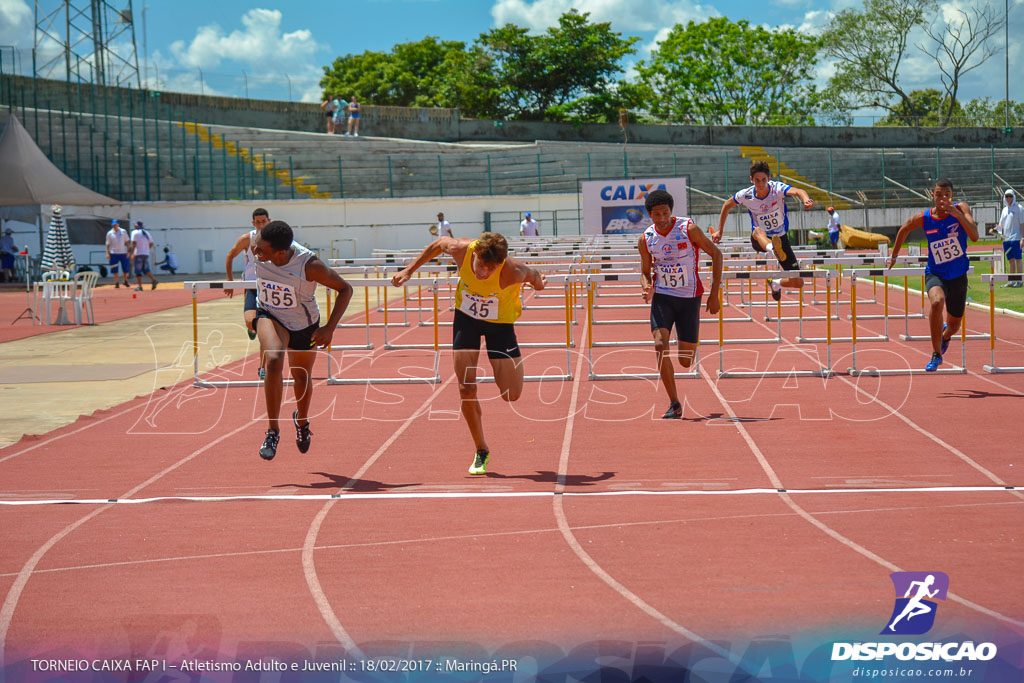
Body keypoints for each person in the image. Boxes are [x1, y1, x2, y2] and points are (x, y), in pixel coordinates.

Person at [391, 232, 546, 475]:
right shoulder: (461, 250)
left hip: (500, 324)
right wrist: (409, 270)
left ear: (501, 264)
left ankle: (502, 368)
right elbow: (437, 244)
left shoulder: (513, 271)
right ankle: (481, 449)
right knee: (466, 388)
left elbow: (534, 276)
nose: (484, 272)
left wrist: (539, 283)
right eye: (480, 265)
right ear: (473, 254)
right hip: (467, 319)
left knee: (511, 395)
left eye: (491, 268)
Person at [251, 220, 353, 461]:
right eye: (256, 246)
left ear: (280, 252)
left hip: (303, 325)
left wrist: (330, 328)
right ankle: (272, 430)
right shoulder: (257, 244)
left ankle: (302, 420)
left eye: (262, 250)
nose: (256, 252)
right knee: (274, 360)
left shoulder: (309, 265)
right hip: (270, 314)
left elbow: (345, 289)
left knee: (301, 377)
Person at [639, 190, 722, 419]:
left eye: (665, 213)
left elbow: (717, 254)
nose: (662, 218)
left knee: (685, 362)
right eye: (657, 214)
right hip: (663, 299)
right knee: (659, 345)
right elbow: (645, 272)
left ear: (671, 212)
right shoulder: (646, 238)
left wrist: (714, 295)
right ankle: (674, 403)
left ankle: (682, 337)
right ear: (650, 214)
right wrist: (646, 285)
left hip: (689, 299)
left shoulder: (689, 229)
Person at [888, 179, 978, 371]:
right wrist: (894, 255)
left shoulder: (961, 209)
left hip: (958, 275)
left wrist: (957, 215)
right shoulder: (925, 217)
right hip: (935, 272)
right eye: (938, 194)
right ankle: (936, 354)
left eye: (946, 194)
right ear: (932, 196)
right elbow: (904, 229)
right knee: (936, 302)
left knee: (954, 326)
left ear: (951, 196)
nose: (942, 198)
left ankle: (945, 336)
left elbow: (974, 235)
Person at [711, 160, 815, 301]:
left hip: (781, 238)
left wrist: (806, 199)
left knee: (798, 282)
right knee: (758, 231)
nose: (760, 184)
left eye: (763, 180)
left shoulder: (776, 189)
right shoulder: (746, 195)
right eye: (757, 180)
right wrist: (719, 231)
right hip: (759, 239)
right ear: (751, 180)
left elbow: (798, 191)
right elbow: (726, 205)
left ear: (769, 179)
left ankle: (775, 283)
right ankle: (774, 249)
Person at [225, 208, 270, 341]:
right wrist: (230, 281)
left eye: (263, 221)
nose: (261, 225)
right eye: (258, 222)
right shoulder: (246, 239)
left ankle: (264, 331)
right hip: (252, 284)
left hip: (270, 284)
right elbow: (230, 256)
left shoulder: (275, 238)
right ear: (253, 223)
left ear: (269, 221)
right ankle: (253, 327)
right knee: (250, 322)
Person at [995, 189, 1023, 287]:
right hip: (1006, 239)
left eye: (1010, 196)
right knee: (1010, 260)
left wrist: (1023, 239)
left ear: (1014, 197)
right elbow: (1001, 224)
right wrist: (995, 229)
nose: (1008, 198)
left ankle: (1019, 281)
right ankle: (1011, 281)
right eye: (1006, 196)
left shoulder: (1019, 208)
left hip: (1016, 238)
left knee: (1018, 259)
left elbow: (1022, 224)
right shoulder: (1004, 210)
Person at [129, 220, 158, 291]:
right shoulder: (147, 233)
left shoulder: (135, 233)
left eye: (135, 225)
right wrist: (146, 248)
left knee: (138, 270)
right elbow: (151, 244)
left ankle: (140, 286)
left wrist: (132, 253)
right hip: (146, 253)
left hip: (138, 253)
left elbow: (134, 244)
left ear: (137, 226)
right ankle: (153, 280)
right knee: (146, 269)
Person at [105, 219, 131, 288]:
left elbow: (127, 241)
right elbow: (107, 244)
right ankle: (116, 282)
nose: (115, 226)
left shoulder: (123, 231)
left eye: (116, 225)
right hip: (114, 253)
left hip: (123, 252)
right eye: (113, 225)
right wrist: (107, 253)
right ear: (112, 225)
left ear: (118, 224)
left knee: (125, 268)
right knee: (114, 268)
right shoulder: (109, 233)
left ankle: (125, 280)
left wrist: (128, 251)